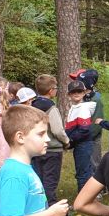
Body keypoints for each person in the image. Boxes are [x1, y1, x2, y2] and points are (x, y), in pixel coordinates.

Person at [29, 75, 71, 204]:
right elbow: (57, 130)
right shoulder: (51, 108)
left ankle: (38, 206)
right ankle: (51, 208)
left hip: (36, 148)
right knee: (50, 181)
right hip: (52, 150)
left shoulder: (31, 106)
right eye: (56, 88)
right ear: (51, 90)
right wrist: (66, 141)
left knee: (38, 179)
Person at [63, 79, 103, 190]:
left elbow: (84, 130)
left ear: (84, 93)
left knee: (83, 173)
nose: (76, 94)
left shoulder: (83, 108)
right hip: (79, 144)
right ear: (69, 94)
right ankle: (89, 196)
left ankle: (84, 196)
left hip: (83, 144)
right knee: (83, 171)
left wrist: (70, 141)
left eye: (79, 91)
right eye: (73, 92)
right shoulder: (75, 107)